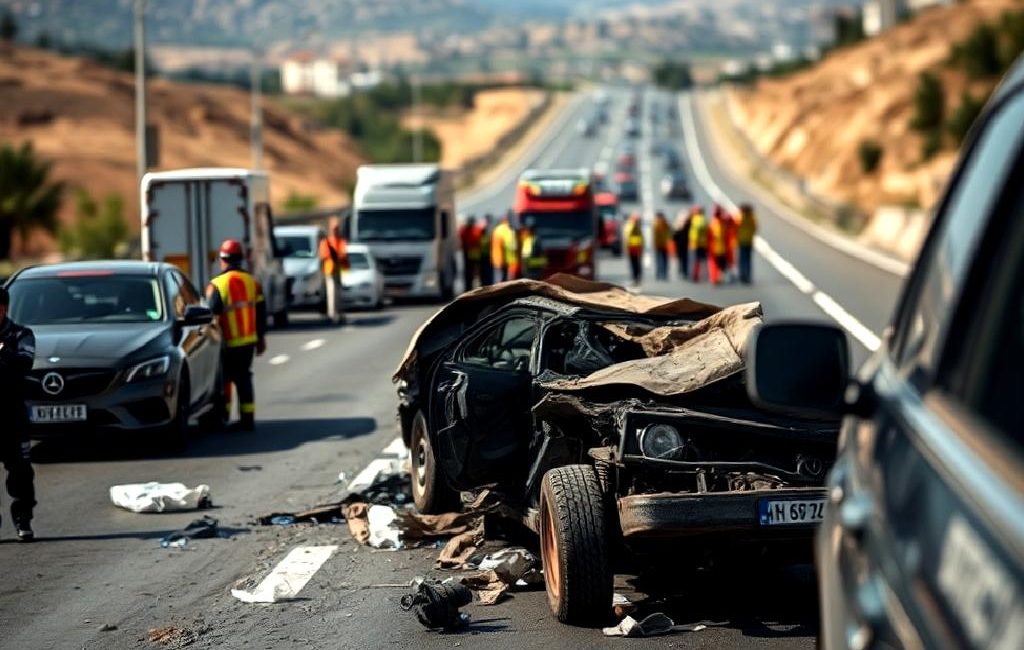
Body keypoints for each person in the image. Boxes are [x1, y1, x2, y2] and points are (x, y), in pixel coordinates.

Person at [206, 239, 267, 431]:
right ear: (241, 259)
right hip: (248, 341)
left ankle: (223, 416)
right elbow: (261, 313)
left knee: (225, 379)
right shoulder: (253, 283)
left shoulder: (217, 284)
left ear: (222, 260)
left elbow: (212, 313)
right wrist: (261, 338)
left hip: (227, 343)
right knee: (244, 378)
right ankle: (247, 419)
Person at [0, 286, 36, 542]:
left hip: (12, 416)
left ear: (4, 309)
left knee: (21, 473)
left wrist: (4, 352)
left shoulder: (20, 334)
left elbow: (24, 363)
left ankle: (23, 519)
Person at [318, 217, 350, 325]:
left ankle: (339, 312)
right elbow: (323, 256)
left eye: (337, 228)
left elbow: (344, 254)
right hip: (329, 270)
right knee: (331, 292)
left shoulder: (341, 241)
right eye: (334, 228)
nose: (335, 230)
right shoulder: (325, 242)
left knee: (339, 292)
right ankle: (332, 314)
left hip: (339, 269)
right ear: (330, 228)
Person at [458, 215, 482, 292]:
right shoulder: (465, 230)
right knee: (468, 274)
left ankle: (474, 288)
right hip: (468, 254)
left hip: (474, 255)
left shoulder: (475, 230)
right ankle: (468, 288)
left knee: (475, 274)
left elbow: (477, 240)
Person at [707, 205, 729, 285]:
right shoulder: (723, 223)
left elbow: (709, 237)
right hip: (721, 248)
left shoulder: (713, 223)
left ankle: (715, 278)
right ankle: (717, 278)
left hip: (715, 248)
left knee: (714, 264)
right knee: (719, 265)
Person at [490, 213, 516, 283]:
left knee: (498, 280)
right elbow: (511, 245)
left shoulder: (497, 229)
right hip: (504, 260)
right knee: (504, 280)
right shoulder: (506, 230)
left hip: (497, 259)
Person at [737, 203, 758, 284]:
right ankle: (748, 276)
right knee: (748, 259)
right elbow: (755, 228)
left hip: (741, 241)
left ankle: (742, 275)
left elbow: (735, 227)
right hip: (749, 241)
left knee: (742, 259)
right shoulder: (752, 218)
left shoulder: (739, 218)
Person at [688, 206, 709, 283]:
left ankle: (695, 275)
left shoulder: (696, 219)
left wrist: (694, 240)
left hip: (695, 244)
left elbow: (695, 233)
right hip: (703, 243)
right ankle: (704, 275)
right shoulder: (704, 220)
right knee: (703, 260)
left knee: (695, 261)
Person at [624, 213, 644, 286]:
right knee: (635, 264)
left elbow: (627, 237)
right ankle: (636, 278)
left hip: (633, 248)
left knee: (634, 264)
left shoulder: (631, 226)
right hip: (634, 247)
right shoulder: (634, 226)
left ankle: (636, 278)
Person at [672, 209, 693, 279]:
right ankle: (682, 270)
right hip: (681, 245)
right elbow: (674, 236)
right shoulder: (680, 226)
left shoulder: (688, 225)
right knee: (681, 258)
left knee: (684, 258)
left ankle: (684, 270)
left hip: (685, 245)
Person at [652, 211, 671, 281]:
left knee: (658, 259)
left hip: (658, 244)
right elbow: (669, 233)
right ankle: (664, 274)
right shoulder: (665, 223)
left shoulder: (656, 223)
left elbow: (654, 235)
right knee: (665, 260)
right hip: (665, 243)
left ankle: (658, 273)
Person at [478, 214, 494, 287]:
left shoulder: (485, 238)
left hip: (486, 256)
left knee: (486, 272)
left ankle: (487, 283)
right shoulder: (484, 238)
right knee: (485, 272)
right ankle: (486, 283)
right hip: (484, 256)